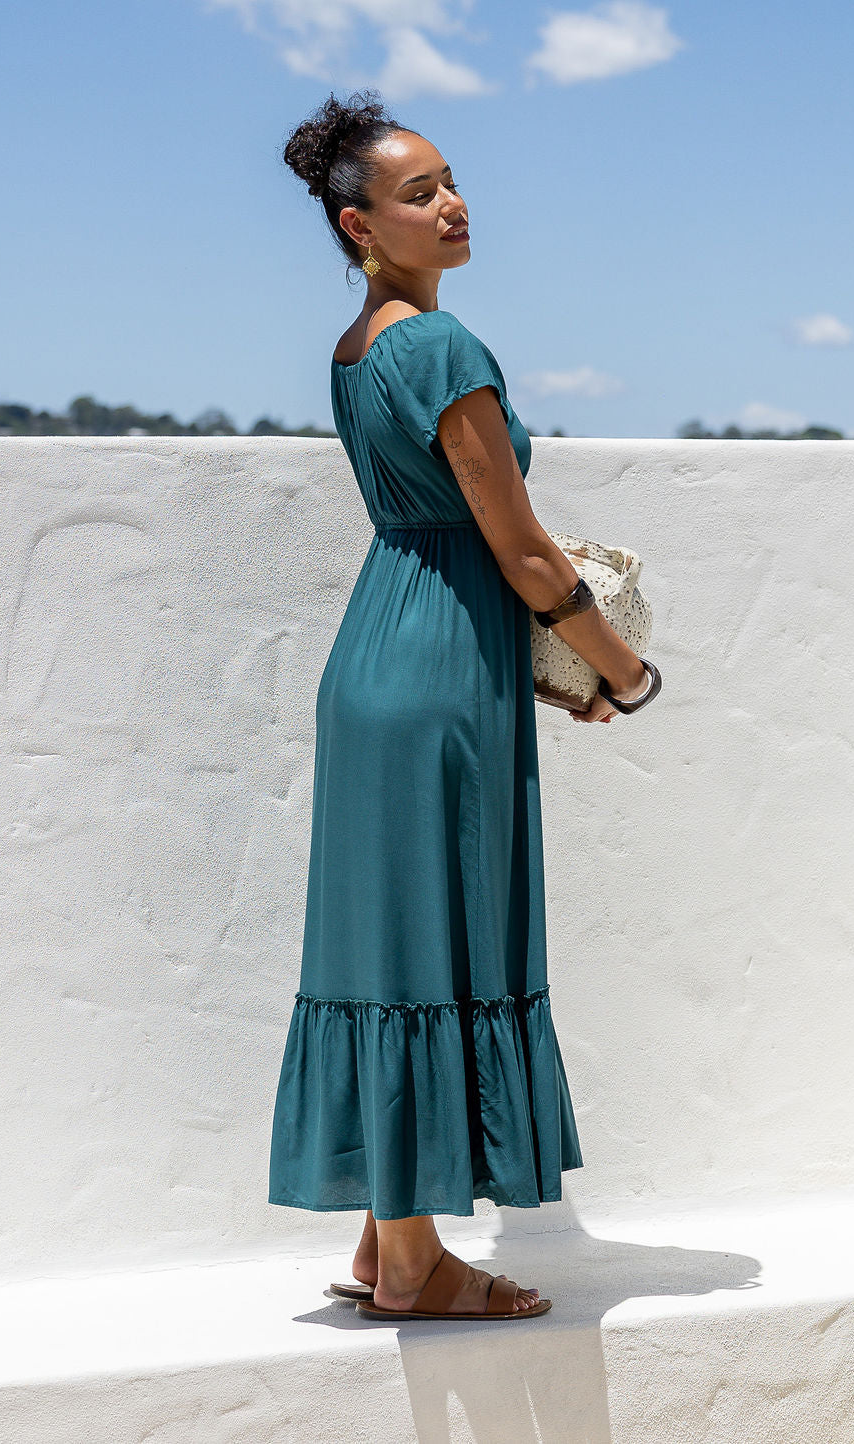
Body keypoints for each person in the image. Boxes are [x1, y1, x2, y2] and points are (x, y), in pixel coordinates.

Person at [267, 90, 660, 1323]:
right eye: (418, 192)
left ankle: (396, 1243)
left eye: (451, 179)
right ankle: (419, 1260)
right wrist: (625, 678)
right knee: (440, 941)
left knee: (394, 943)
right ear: (357, 225)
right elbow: (527, 557)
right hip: (440, 667)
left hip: (384, 648)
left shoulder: (355, 352)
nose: (451, 203)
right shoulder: (441, 349)